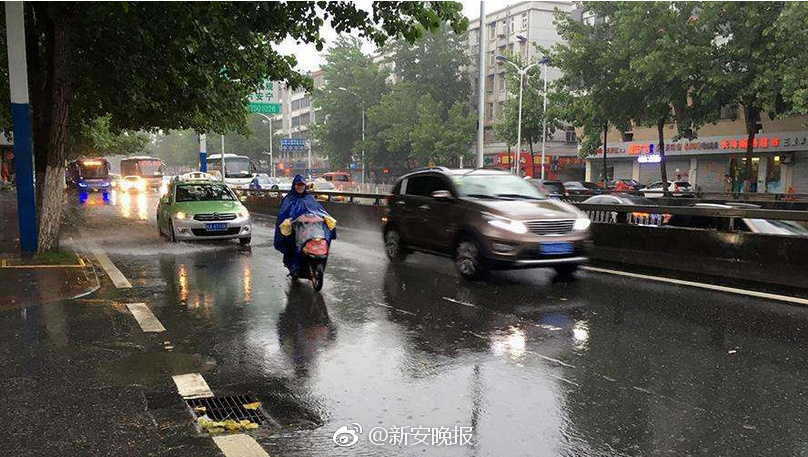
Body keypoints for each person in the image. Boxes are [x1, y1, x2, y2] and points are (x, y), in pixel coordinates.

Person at [274, 174, 336, 276]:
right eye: (298, 184)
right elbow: (283, 214)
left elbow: (318, 210)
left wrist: (325, 217)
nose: (300, 187)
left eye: (302, 184)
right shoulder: (289, 199)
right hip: (295, 228)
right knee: (290, 242)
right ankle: (293, 265)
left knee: (324, 234)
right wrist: (288, 220)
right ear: (294, 185)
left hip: (309, 229)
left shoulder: (309, 198)